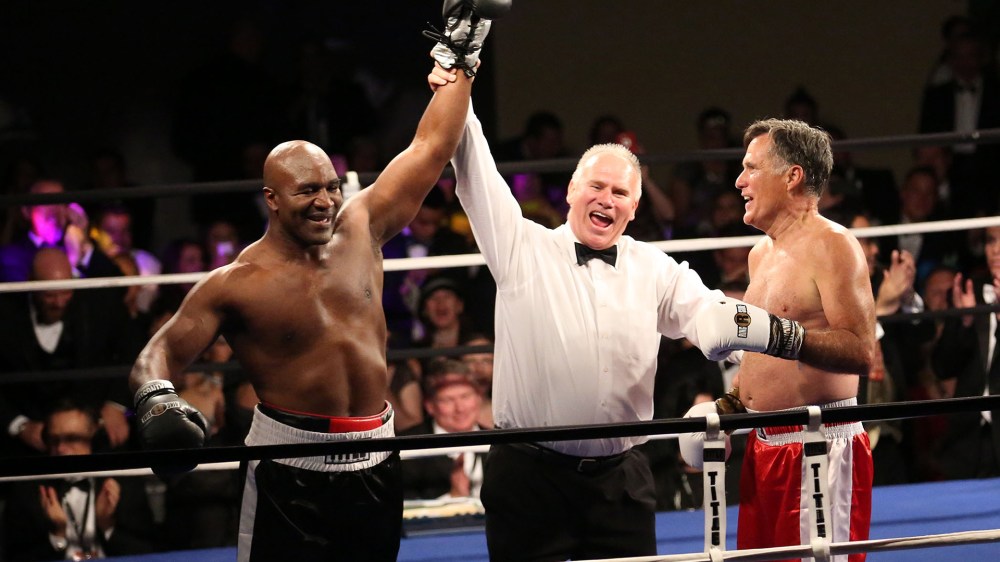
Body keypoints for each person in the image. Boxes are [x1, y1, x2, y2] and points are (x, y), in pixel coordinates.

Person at [127, 10, 486, 558]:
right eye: (306, 191)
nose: (324, 201)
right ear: (271, 198)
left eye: (331, 186)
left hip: (375, 458)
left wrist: (461, 60)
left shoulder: (362, 228)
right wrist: (158, 404)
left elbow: (430, 147)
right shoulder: (237, 283)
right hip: (288, 472)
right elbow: (157, 355)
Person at [429, 68, 823, 561]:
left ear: (635, 208)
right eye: (597, 186)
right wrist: (458, 83)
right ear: (572, 189)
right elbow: (475, 169)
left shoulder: (654, 269)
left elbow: (708, 313)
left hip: (620, 483)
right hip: (529, 479)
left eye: (620, 194)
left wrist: (778, 336)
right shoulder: (520, 248)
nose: (606, 200)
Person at [723, 119, 876, 560]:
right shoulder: (760, 255)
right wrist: (730, 406)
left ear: (792, 176)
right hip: (762, 444)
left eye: (751, 168)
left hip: (818, 442)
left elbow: (861, 351)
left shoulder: (834, 245)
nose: (740, 181)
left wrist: (783, 335)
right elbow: (769, 358)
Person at [2, 400, 156, 560]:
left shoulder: (124, 483)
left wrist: (107, 525)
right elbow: (13, 557)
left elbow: (150, 552)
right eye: (54, 440)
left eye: (72, 438)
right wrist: (57, 536)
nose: (61, 449)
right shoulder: (27, 490)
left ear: (95, 440)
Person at [930, 225, 1000, 480]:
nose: (996, 249)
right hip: (966, 441)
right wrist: (965, 322)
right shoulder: (970, 290)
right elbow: (942, 367)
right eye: (992, 241)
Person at [401, 359, 487, 499]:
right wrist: (451, 500)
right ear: (430, 406)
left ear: (479, 398)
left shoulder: (498, 443)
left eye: (465, 397)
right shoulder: (408, 448)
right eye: (447, 400)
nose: (460, 408)